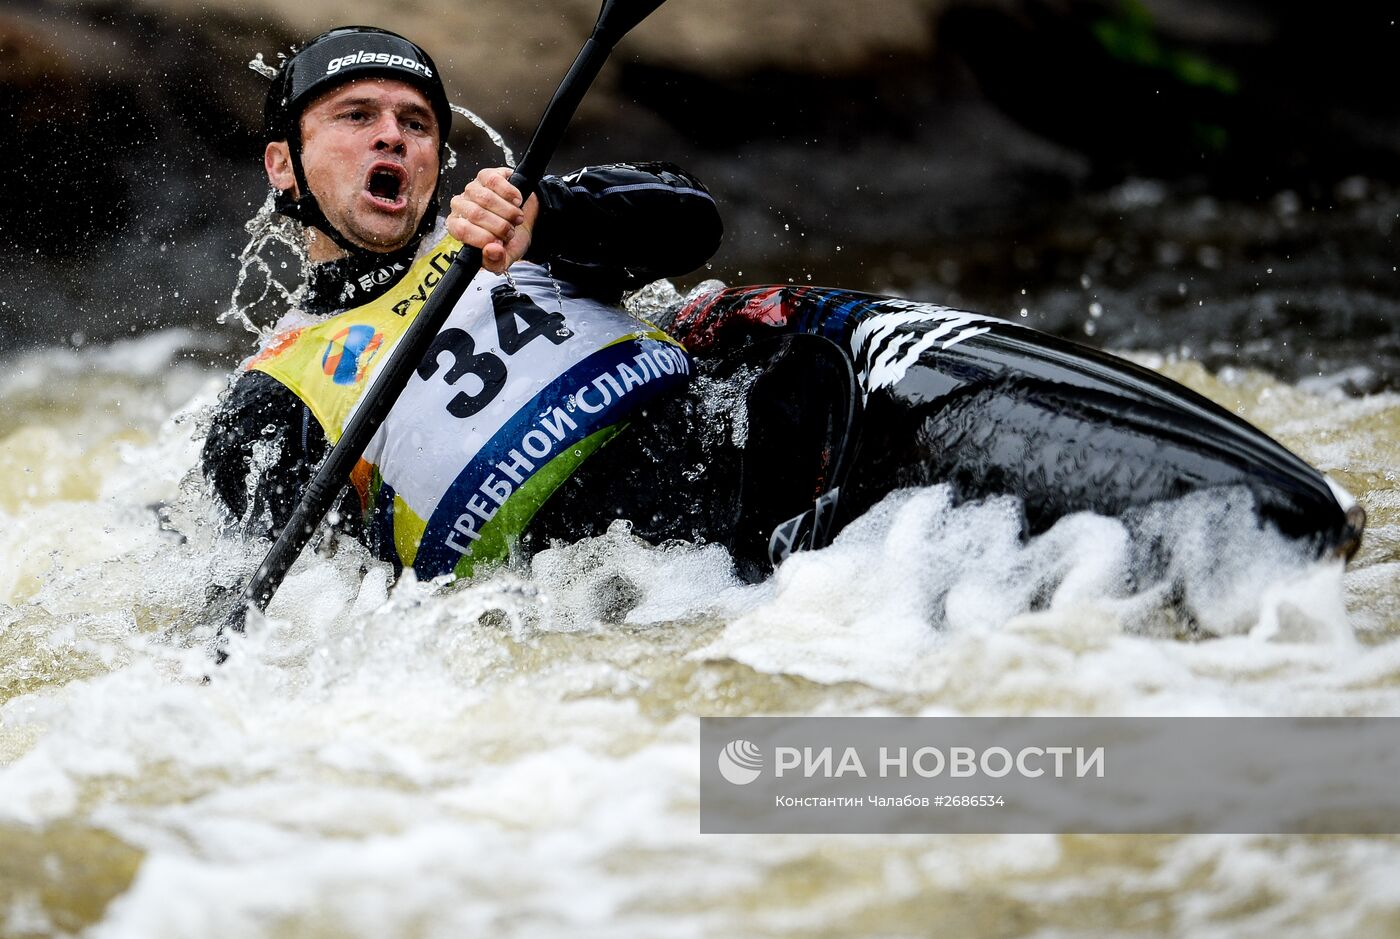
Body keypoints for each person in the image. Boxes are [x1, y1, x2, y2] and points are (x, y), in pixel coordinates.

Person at [203, 25, 723, 580]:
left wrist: (554, 214)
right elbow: (291, 622)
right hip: (622, 590)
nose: (392, 137)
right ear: (284, 164)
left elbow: (695, 223)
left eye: (415, 123)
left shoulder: (509, 229)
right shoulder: (279, 393)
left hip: (727, 460)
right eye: (356, 115)